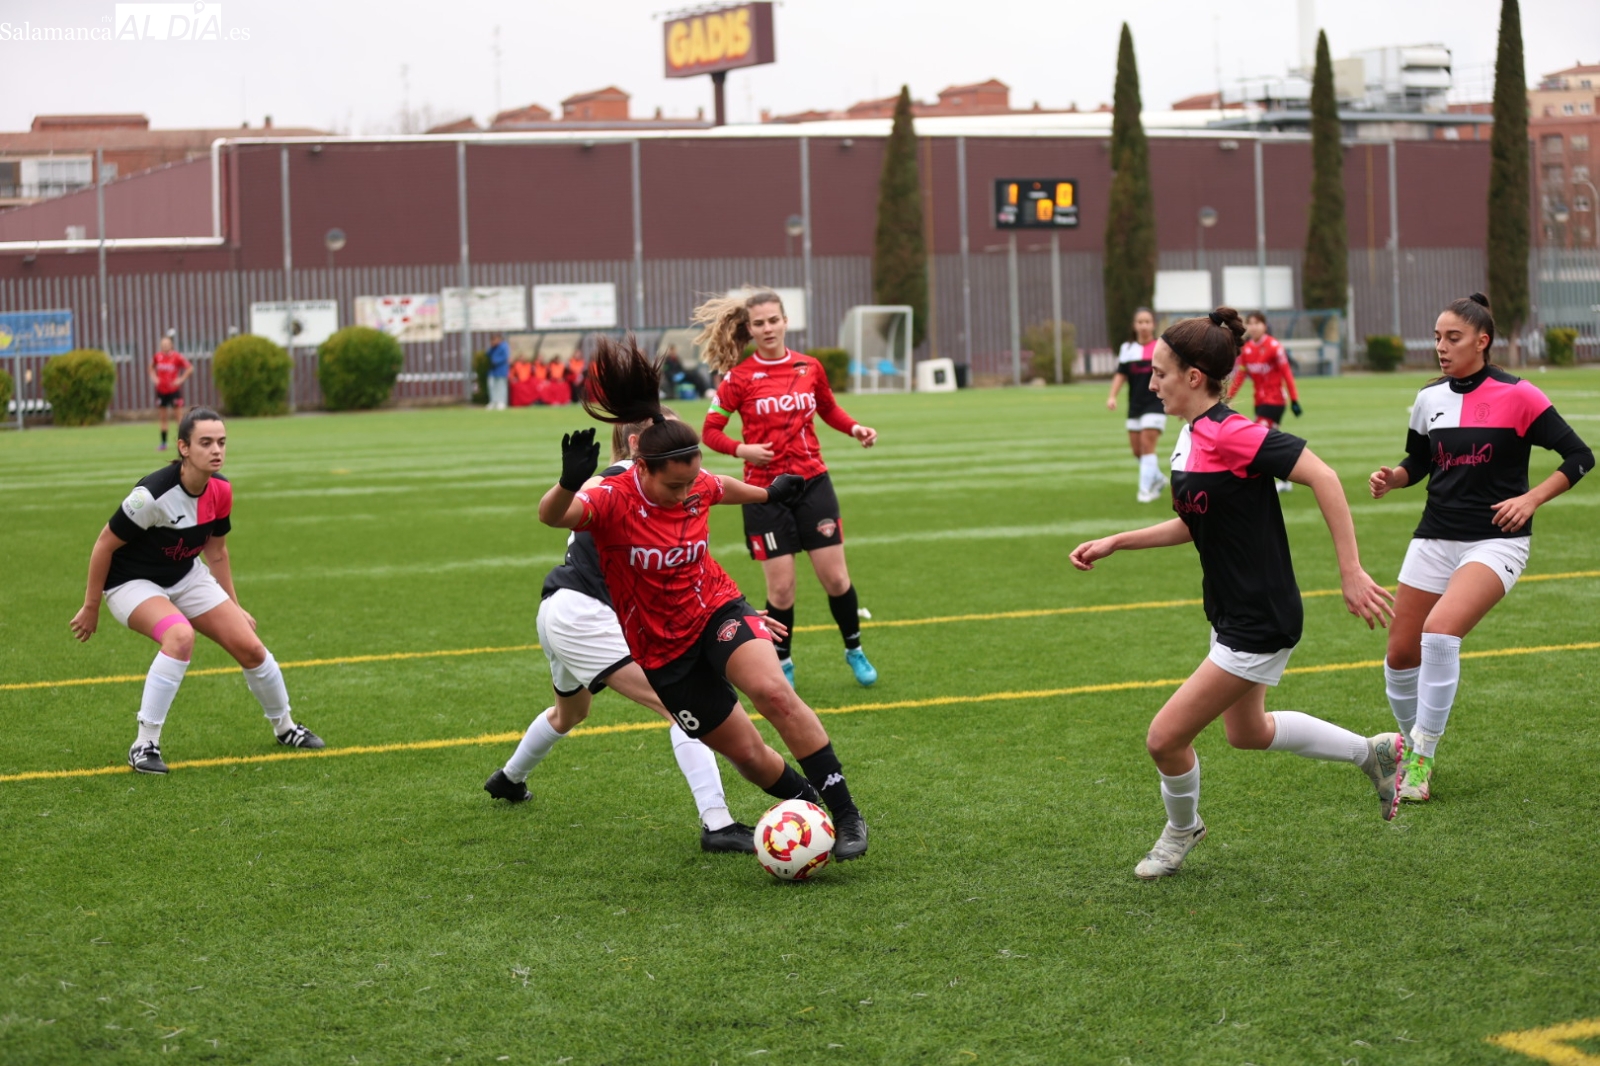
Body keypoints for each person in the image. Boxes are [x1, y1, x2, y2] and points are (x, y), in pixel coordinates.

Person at [1070, 307, 1403, 881]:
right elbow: (1196, 521)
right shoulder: (1189, 436)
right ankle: (1371, 753)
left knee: (1165, 738)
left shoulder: (1232, 432)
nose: (1152, 384)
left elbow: (1323, 477)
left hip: (1260, 615)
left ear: (1194, 377)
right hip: (1230, 609)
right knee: (1247, 732)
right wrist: (1118, 541)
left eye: (1160, 374)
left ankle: (1182, 830)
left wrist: (1350, 570)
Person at [538, 337, 870, 860]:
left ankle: (847, 816)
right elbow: (553, 516)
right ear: (642, 468)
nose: (686, 493)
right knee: (749, 755)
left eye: (690, 481)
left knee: (775, 694)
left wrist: (769, 493)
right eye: (674, 487)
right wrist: (566, 483)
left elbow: (721, 485)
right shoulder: (610, 496)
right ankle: (811, 809)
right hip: (661, 650)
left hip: (716, 609)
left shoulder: (695, 482)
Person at [486, 410, 767, 854]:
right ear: (637, 445)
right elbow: (561, 510)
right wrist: (567, 483)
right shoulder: (618, 481)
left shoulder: (652, 483)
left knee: (569, 713)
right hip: (585, 614)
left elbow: (703, 514)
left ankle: (508, 779)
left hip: (563, 609)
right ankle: (718, 823)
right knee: (681, 706)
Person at [1369, 293, 1592, 803]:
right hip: (1434, 536)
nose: (1441, 347)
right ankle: (1410, 745)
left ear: (1482, 341)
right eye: (1437, 338)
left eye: (1453, 338)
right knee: (1400, 655)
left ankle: (1421, 759)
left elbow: (1579, 456)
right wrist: (1394, 477)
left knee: (1440, 633)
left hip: (1496, 541)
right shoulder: (1429, 396)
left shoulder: (1520, 395)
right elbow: (1419, 460)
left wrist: (1532, 499)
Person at [68, 407, 324, 774]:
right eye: (206, 442)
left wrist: (234, 606)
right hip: (131, 582)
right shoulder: (151, 495)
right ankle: (144, 744)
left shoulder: (221, 489)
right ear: (184, 447)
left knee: (252, 648)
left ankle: (285, 728)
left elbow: (216, 552)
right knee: (179, 636)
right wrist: (91, 605)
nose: (216, 450)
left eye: (221, 442)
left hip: (187, 575)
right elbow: (104, 544)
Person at [695, 290, 881, 688]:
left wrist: (854, 428)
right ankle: (784, 662)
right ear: (749, 329)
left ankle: (854, 649)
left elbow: (827, 408)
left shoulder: (809, 366)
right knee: (781, 590)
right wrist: (742, 449)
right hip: (765, 493)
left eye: (773, 320)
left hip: (813, 484)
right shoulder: (738, 378)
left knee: (836, 579)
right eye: (758, 323)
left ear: (785, 322)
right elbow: (710, 432)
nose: (767, 328)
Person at [1225, 312, 1302, 494]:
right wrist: (1227, 398)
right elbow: (1240, 376)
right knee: (1271, 440)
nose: (1253, 327)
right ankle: (1285, 479)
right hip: (1259, 401)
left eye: (1257, 323)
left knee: (1258, 437)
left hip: (1275, 401)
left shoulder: (1274, 347)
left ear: (1265, 326)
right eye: (1250, 323)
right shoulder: (1247, 350)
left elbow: (1287, 373)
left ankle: (1255, 480)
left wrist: (1294, 399)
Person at [1106, 308, 1168, 503]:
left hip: (1155, 403)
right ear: (1134, 325)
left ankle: (1145, 491)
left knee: (1147, 445)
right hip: (1135, 406)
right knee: (1137, 451)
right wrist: (1112, 396)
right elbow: (1121, 374)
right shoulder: (1127, 348)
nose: (1144, 325)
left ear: (1153, 324)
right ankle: (1158, 478)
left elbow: (1170, 375)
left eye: (1147, 321)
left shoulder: (1160, 347)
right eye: (1140, 322)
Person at [149, 333, 193, 451]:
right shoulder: (157, 357)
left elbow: (189, 368)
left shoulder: (177, 357)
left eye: (167, 344)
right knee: (163, 417)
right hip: (161, 391)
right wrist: (154, 378)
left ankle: (183, 442)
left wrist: (180, 379)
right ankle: (163, 443)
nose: (165, 346)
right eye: (163, 344)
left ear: (171, 345)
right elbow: (151, 368)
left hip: (173, 391)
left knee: (179, 417)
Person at [485, 332, 510, 410]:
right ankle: (493, 401)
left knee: (501, 386)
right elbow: (487, 354)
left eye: (495, 339)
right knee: (492, 385)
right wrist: (491, 347)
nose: (493, 341)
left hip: (501, 370)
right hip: (492, 370)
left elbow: (505, 357)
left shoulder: (504, 346)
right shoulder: (493, 348)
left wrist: (496, 361)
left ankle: (501, 402)